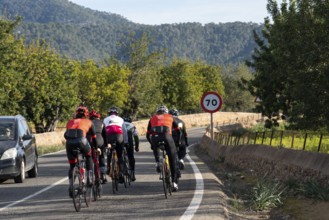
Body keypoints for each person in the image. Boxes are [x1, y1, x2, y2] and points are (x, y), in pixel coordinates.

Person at [64, 106, 97, 198]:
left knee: (72, 165)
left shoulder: (70, 122)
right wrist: (96, 148)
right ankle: (90, 178)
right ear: (86, 114)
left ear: (76, 113)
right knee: (88, 156)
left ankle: (71, 185)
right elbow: (94, 138)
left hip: (69, 143)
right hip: (82, 141)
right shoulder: (89, 122)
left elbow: (66, 135)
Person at [146, 105, 180, 191]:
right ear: (166, 112)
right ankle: (174, 183)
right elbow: (178, 131)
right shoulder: (170, 117)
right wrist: (177, 142)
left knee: (155, 146)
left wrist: (152, 144)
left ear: (157, 112)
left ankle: (157, 162)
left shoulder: (152, 118)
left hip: (155, 138)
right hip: (167, 137)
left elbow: (147, 134)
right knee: (172, 161)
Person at [103, 106, 128, 184]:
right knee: (120, 155)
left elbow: (103, 131)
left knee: (109, 152)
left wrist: (104, 143)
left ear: (109, 113)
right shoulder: (121, 119)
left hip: (109, 137)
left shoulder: (105, 119)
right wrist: (126, 141)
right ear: (117, 113)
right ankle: (120, 171)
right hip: (118, 136)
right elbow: (124, 131)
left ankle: (108, 168)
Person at [88, 110, 108, 184]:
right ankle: (103, 175)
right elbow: (105, 135)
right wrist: (106, 144)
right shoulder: (101, 122)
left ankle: (89, 175)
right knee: (102, 156)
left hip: (90, 141)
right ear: (98, 117)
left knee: (89, 157)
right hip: (100, 140)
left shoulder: (88, 122)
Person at [123, 117, 140, 181]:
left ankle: (120, 171)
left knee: (119, 155)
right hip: (129, 141)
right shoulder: (132, 126)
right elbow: (136, 138)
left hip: (121, 139)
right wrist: (136, 147)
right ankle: (132, 173)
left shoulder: (120, 124)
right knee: (131, 157)